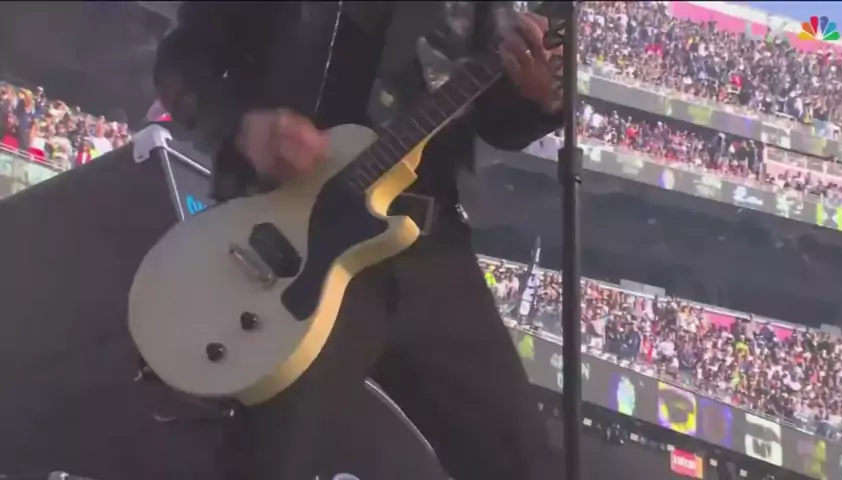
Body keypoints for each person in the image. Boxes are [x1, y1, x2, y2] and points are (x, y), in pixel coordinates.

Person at [153, 3, 566, 480]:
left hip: (428, 245)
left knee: (525, 466)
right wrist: (242, 126)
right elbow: (178, 64)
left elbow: (497, 118)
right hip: (302, 243)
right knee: (269, 464)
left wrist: (537, 97)